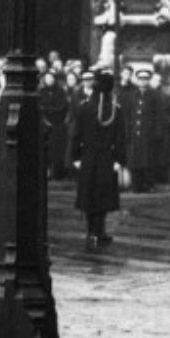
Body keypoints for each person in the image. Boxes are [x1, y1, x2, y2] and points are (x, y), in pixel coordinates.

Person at [73, 62, 123, 250]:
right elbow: (120, 137)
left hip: (88, 156)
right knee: (102, 195)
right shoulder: (115, 109)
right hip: (106, 158)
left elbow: (76, 134)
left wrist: (76, 156)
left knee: (89, 195)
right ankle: (98, 231)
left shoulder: (84, 107)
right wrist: (119, 159)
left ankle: (92, 232)